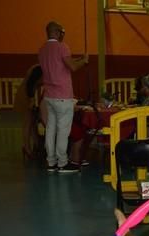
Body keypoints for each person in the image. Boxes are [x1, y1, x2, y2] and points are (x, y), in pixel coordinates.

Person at [38, 21, 89, 173]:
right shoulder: (62, 47)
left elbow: (62, 64)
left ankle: (51, 162)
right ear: (59, 32)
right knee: (63, 131)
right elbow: (72, 67)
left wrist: (78, 59)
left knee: (51, 129)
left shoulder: (42, 49)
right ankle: (63, 163)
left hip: (49, 96)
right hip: (63, 96)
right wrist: (84, 61)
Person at [13, 64, 43, 160]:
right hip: (25, 96)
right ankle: (26, 148)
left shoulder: (38, 67)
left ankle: (36, 145)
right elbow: (30, 84)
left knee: (32, 121)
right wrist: (31, 100)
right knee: (28, 123)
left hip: (27, 95)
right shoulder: (39, 68)